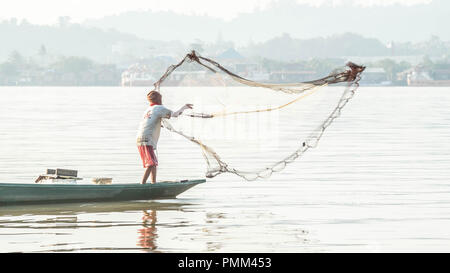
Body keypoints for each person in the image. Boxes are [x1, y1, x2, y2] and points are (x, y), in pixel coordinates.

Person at [137, 90, 192, 184]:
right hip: (147, 139)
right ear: (158, 99)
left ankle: (153, 183)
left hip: (140, 139)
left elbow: (149, 122)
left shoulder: (148, 109)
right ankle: (142, 184)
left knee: (153, 163)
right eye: (161, 98)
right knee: (151, 164)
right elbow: (175, 114)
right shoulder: (159, 108)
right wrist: (184, 107)